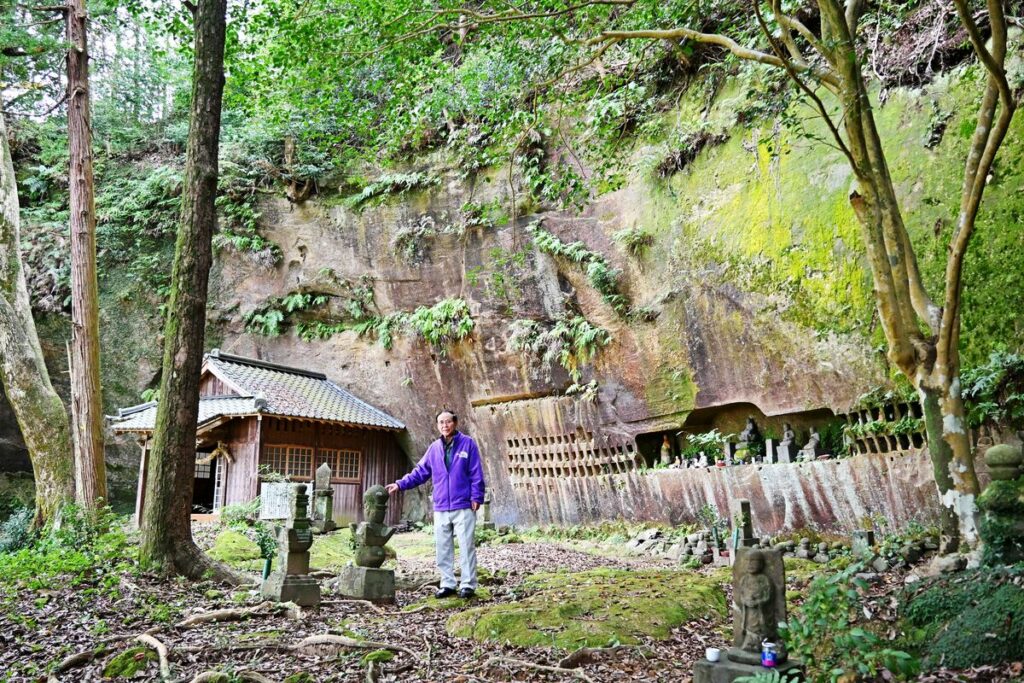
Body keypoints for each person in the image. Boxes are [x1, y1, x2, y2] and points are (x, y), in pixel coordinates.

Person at [386, 410, 485, 599]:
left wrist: (477, 497)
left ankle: (468, 584)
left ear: (455, 423)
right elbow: (420, 472)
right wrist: (400, 484)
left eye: (448, 422)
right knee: (443, 547)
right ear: (437, 425)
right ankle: (447, 583)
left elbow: (476, 473)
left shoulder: (467, 444)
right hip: (441, 506)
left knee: (466, 546)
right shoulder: (434, 448)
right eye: (441, 422)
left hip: (463, 504)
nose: (444, 425)